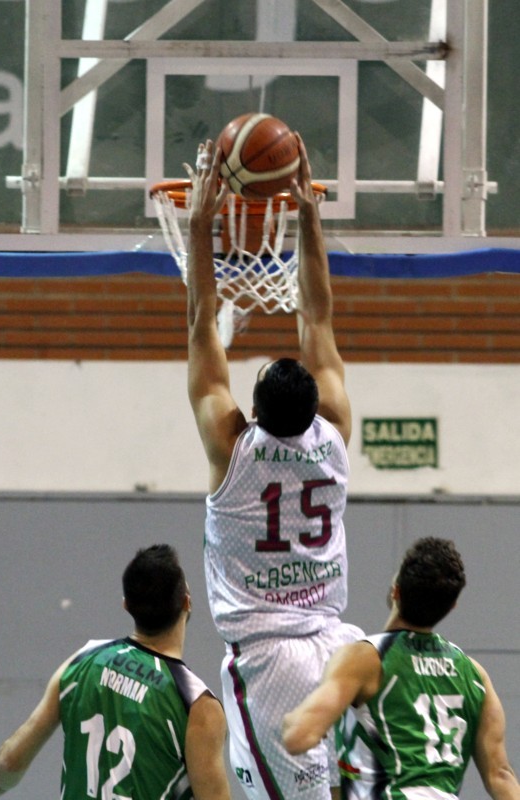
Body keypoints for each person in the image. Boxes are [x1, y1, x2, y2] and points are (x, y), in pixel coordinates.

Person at [183, 134, 363, 800]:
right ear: (316, 405)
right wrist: (309, 218)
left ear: (251, 411)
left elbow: (203, 322)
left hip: (269, 658)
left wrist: (202, 224)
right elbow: (318, 314)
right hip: (338, 645)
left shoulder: (231, 445)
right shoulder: (336, 430)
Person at [0, 544, 231, 800]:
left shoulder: (83, 660)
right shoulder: (196, 704)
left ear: (126, 605)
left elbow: (10, 764)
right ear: (187, 602)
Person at [282, 537, 520, 800]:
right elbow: (500, 776)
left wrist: (285, 717)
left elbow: (299, 736)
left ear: (395, 591)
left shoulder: (365, 659)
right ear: (451, 606)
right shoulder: (474, 674)